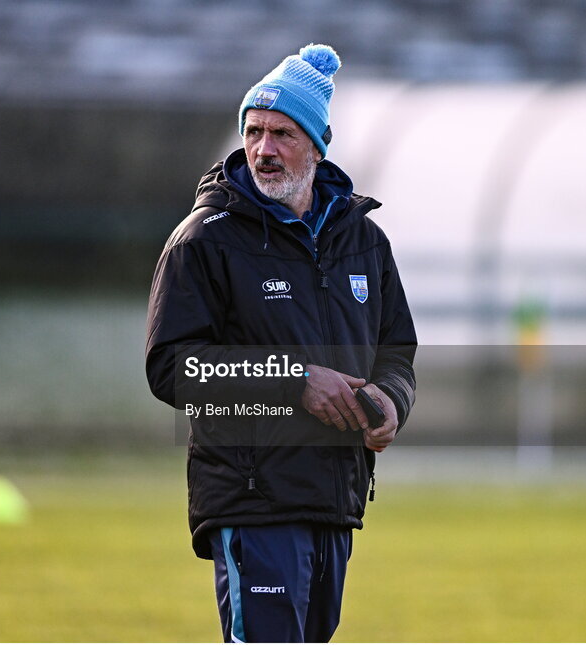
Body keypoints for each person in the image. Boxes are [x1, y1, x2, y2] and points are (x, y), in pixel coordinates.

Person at [145, 44, 416, 643]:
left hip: (335, 500)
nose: (264, 150)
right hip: (250, 501)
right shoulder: (203, 241)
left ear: (318, 145)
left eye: (282, 134)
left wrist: (392, 401)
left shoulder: (365, 242)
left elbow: (398, 351)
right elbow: (171, 366)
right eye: (254, 131)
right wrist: (296, 380)